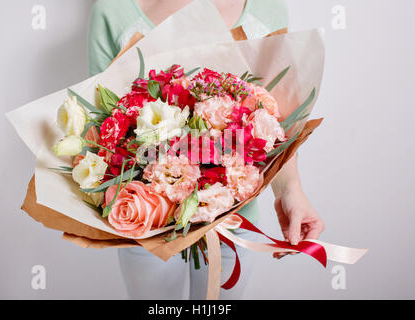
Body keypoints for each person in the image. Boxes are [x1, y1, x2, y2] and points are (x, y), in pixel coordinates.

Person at [87, 0, 324, 299]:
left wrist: (290, 191)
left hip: (234, 224)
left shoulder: (267, 9)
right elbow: (100, 131)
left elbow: (274, 124)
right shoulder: (113, 11)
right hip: (145, 224)